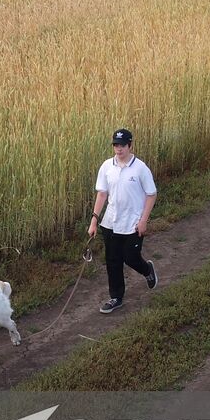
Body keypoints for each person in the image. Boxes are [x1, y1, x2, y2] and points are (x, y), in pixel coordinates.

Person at [88, 128, 158, 313]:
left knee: (131, 257)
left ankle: (147, 270)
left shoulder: (140, 168)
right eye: (116, 145)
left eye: (122, 145)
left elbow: (151, 195)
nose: (119, 149)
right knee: (113, 261)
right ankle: (116, 297)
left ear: (130, 145)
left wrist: (143, 220)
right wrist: (94, 221)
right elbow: (102, 194)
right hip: (111, 222)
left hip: (133, 223)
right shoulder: (107, 166)